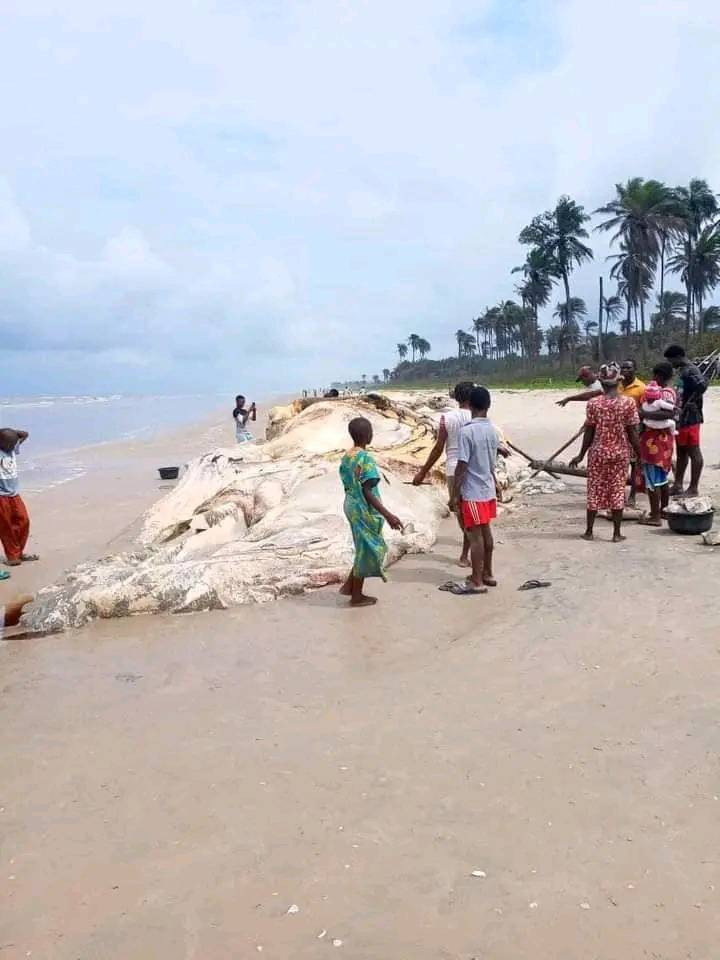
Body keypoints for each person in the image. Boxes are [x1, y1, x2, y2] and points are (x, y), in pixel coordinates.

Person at [569, 364, 641, 543]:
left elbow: (589, 432)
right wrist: (641, 455)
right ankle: (616, 534)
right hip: (620, 453)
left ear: (600, 380)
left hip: (598, 453)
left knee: (594, 490)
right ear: (619, 381)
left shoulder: (594, 403)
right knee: (617, 490)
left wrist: (580, 454)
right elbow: (633, 432)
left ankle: (589, 531)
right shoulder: (628, 403)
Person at [338, 417, 402, 607]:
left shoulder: (348, 456)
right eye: (371, 431)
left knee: (363, 546)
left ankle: (349, 585)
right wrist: (388, 515)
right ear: (367, 435)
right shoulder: (365, 459)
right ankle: (356, 596)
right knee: (369, 548)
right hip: (361, 508)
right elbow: (367, 491)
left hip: (350, 504)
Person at [413, 381, 474, 565]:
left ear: (455, 397)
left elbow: (439, 447)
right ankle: (467, 551)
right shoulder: (477, 416)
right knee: (472, 510)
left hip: (453, 468)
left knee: (460, 512)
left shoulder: (446, 418)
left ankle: (467, 551)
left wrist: (423, 472)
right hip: (473, 468)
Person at [450, 386, 499, 594]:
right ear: (488, 405)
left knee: (474, 536)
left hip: (473, 491)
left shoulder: (467, 431)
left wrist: (454, 494)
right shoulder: (493, 430)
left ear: (469, 405)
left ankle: (477, 580)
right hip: (487, 489)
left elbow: (462, 465)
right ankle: (487, 572)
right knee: (486, 531)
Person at [663, 344, 707, 497]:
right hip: (681, 418)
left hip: (691, 418)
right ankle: (678, 485)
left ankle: (693, 488)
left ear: (678, 357)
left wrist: (691, 402)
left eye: (670, 360)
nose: (670, 363)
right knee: (681, 452)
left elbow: (702, 385)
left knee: (694, 451)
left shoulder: (691, 369)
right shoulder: (682, 370)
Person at [638, 361, 677, 526]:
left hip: (654, 441)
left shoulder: (664, 394)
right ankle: (664, 510)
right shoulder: (666, 392)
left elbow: (668, 413)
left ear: (658, 376)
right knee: (662, 478)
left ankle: (655, 516)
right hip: (664, 440)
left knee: (652, 480)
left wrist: (643, 413)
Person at [0, 428, 38, 569]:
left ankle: (19, 552)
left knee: (23, 521)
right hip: (1, 497)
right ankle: (12, 557)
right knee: (6, 527)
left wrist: (10, 433)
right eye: (9, 443)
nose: (13, 446)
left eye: (13, 443)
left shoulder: (11, 450)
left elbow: (25, 434)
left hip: (15, 495)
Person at [617, 358, 646, 507]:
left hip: (634, 431)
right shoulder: (617, 386)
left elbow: (646, 410)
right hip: (617, 432)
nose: (625, 370)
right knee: (619, 465)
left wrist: (630, 412)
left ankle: (633, 495)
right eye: (623, 368)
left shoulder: (641, 388)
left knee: (634, 465)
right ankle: (618, 495)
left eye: (628, 368)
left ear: (635, 369)